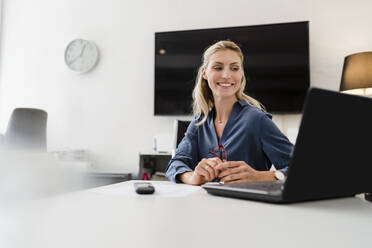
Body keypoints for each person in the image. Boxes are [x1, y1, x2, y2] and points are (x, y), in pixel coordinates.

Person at [165, 40, 293, 185]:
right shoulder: (199, 122)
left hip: (249, 206)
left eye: (234, 68)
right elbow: (174, 165)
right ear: (205, 73)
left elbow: (300, 168)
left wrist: (260, 176)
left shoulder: (257, 120)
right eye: (218, 67)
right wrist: (194, 177)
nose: (226, 75)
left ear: (241, 74)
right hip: (206, 206)